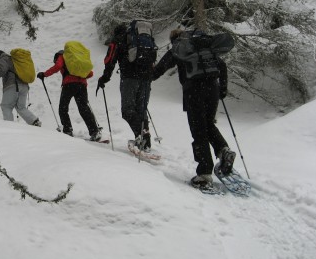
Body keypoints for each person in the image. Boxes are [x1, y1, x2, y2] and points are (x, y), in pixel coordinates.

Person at [152, 28, 236, 188]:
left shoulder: (179, 48)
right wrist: (222, 90)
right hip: (212, 87)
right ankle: (223, 151)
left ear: (173, 39)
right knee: (208, 124)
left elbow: (159, 70)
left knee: (199, 131)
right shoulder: (204, 47)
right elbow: (222, 66)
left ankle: (204, 174)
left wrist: (146, 75)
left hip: (194, 91)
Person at [97, 22, 155, 150]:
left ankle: (142, 135)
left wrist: (104, 79)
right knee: (141, 109)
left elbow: (110, 61)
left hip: (130, 78)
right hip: (146, 78)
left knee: (127, 110)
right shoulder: (143, 39)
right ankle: (145, 141)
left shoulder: (118, 41)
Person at [37, 50, 102, 141]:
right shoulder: (77, 59)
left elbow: (58, 66)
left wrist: (44, 74)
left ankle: (68, 130)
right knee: (84, 108)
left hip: (69, 85)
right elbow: (90, 73)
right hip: (82, 85)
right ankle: (94, 131)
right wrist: (79, 76)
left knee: (63, 108)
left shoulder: (62, 56)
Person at [0, 50, 41, 126]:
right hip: (24, 86)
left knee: (6, 106)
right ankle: (35, 122)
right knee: (21, 107)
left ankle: (10, 126)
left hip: (13, 85)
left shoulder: (4, 58)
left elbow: (2, 70)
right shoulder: (14, 60)